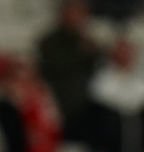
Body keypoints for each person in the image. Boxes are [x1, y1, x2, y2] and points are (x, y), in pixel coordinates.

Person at [35, 0, 102, 142]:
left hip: (84, 108)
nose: (78, 18)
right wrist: (82, 52)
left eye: (82, 14)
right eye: (75, 13)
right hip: (59, 105)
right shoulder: (49, 41)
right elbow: (57, 64)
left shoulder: (87, 41)